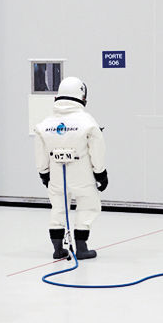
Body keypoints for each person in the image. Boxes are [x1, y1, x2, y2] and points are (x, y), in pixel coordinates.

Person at [33, 76, 108, 260]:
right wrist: (101, 173)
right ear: (83, 98)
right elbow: (97, 151)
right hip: (83, 175)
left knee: (58, 208)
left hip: (57, 176)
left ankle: (58, 249)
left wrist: (44, 174)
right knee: (88, 206)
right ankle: (81, 248)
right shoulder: (88, 123)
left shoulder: (44, 125)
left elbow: (40, 154)